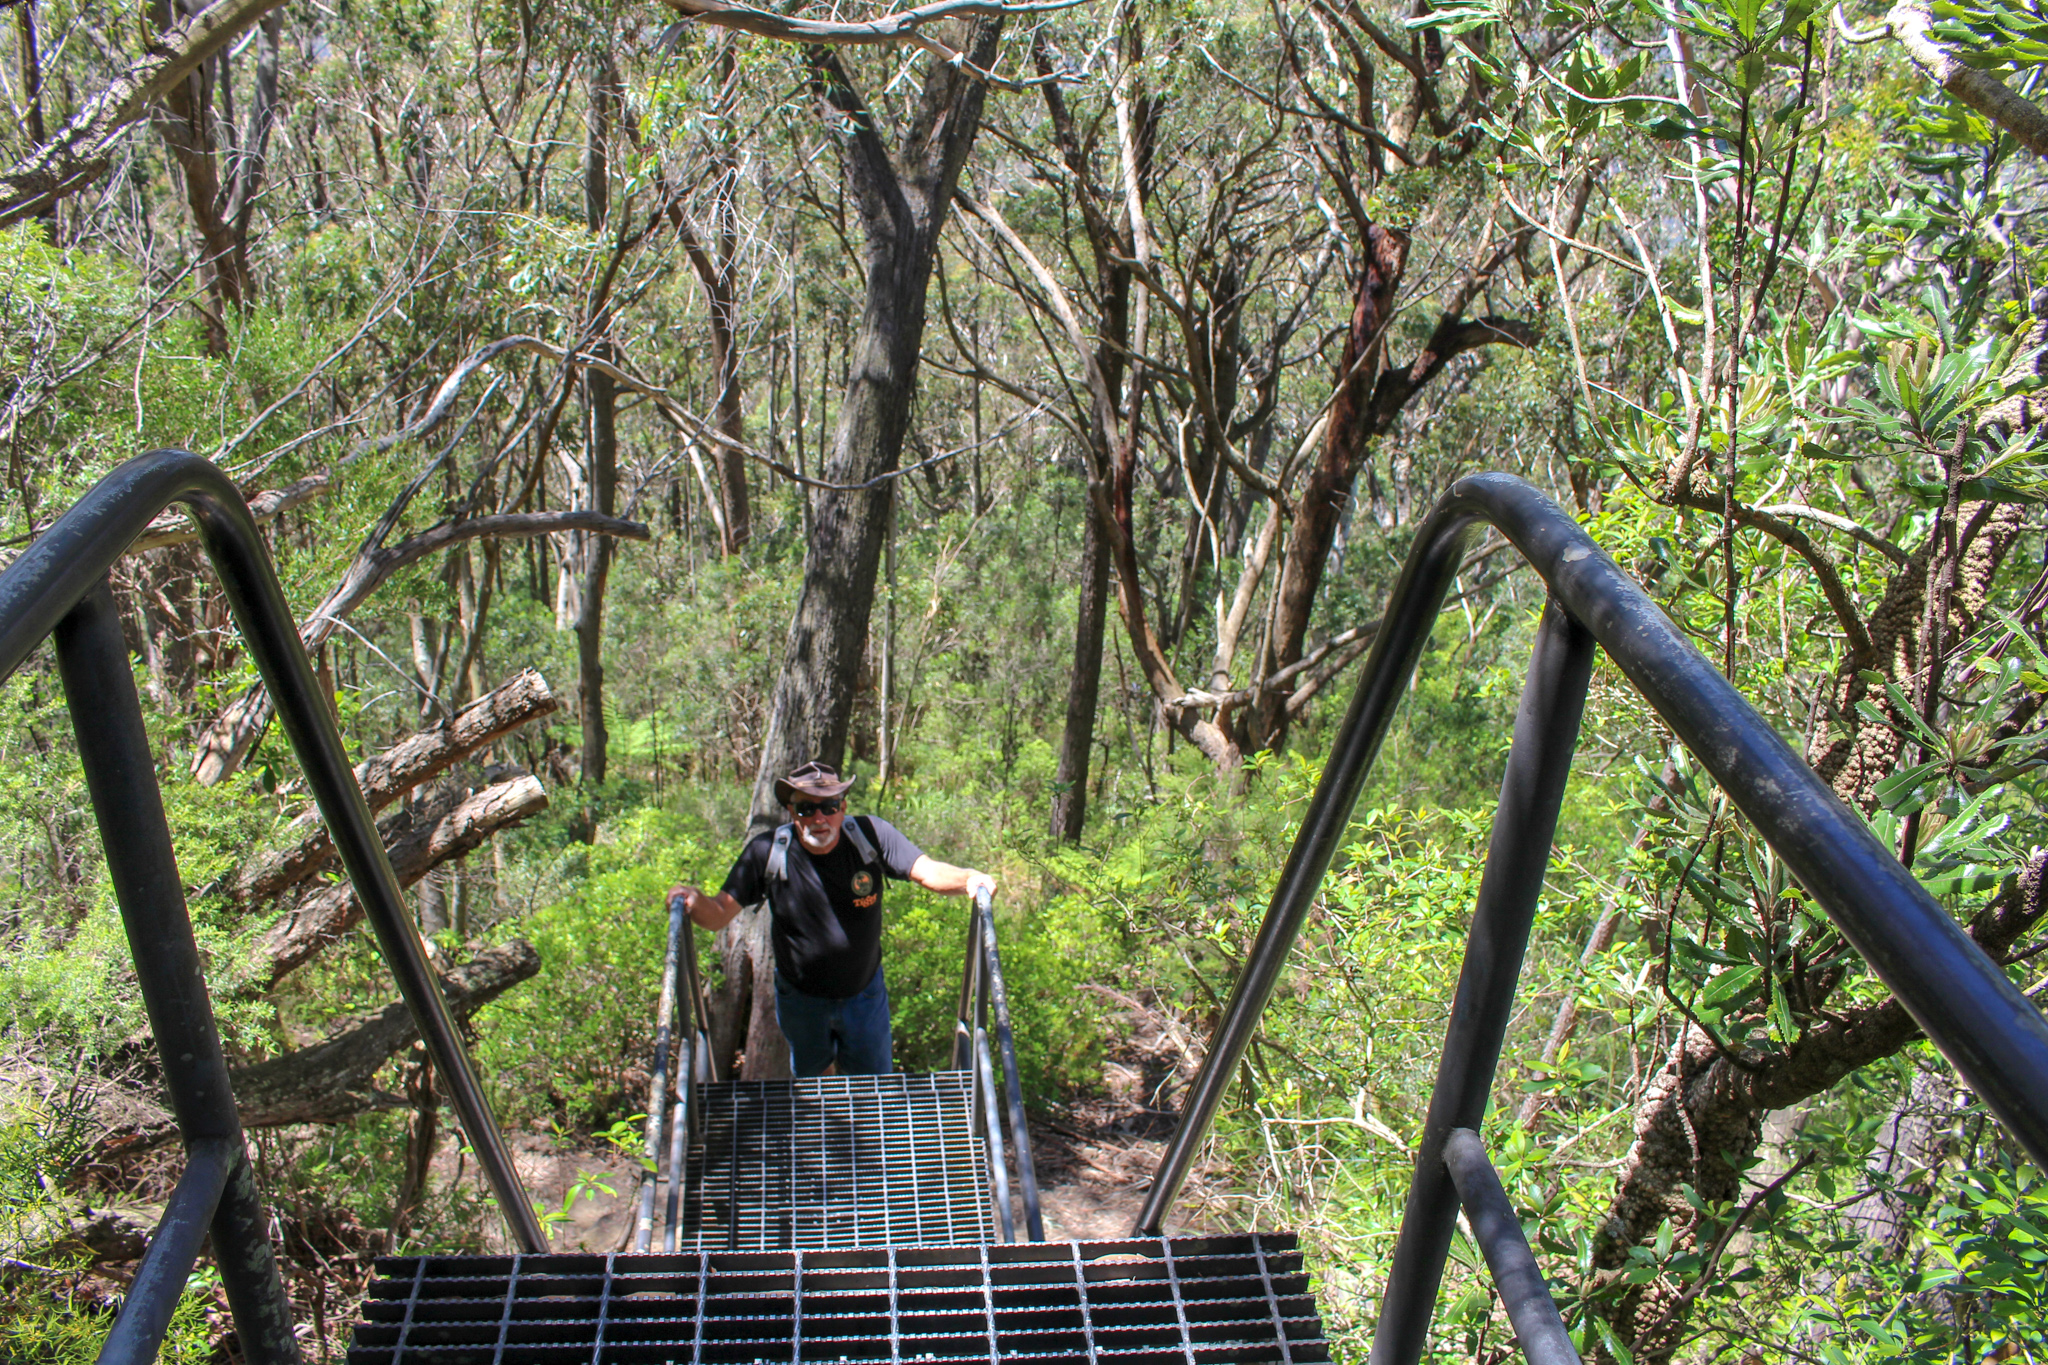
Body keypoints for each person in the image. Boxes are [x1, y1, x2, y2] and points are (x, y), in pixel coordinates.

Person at [670, 760, 996, 1077]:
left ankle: (867, 1132)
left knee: (873, 1089)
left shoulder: (871, 835)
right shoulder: (767, 852)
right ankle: (828, 1131)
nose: (819, 818)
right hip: (801, 1000)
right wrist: (693, 900)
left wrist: (970, 878)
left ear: (843, 807)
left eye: (829, 806)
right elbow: (717, 915)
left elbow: (927, 871)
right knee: (816, 1088)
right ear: (791, 812)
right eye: (806, 808)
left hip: (863, 996)